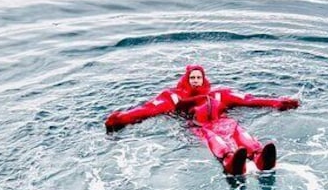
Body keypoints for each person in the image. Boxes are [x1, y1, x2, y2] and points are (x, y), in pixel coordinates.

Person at [105, 64, 299, 175]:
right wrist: (122, 118)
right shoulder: (175, 97)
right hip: (200, 126)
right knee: (214, 138)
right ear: (187, 78)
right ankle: (230, 160)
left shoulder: (219, 94)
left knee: (239, 131)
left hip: (224, 122)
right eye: (193, 77)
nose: (196, 80)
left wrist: (278, 103)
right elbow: (149, 109)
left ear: (204, 78)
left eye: (199, 77)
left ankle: (258, 156)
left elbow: (249, 100)